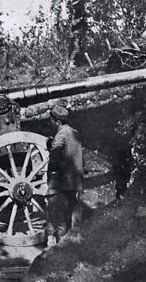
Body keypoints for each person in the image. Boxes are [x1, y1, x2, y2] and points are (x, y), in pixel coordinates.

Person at [45, 105, 84, 247]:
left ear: (57, 121)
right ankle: (66, 247)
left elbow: (55, 153)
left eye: (51, 120)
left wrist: (50, 147)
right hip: (75, 182)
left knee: (57, 217)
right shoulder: (75, 132)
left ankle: (61, 250)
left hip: (62, 182)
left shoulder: (61, 134)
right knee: (68, 217)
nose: (50, 123)